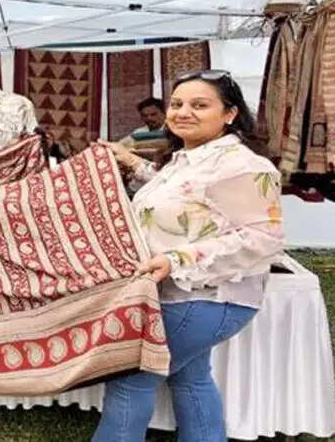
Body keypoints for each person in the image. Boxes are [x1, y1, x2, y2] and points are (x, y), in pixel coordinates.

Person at [92, 70, 284, 442]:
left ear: (230, 113)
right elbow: (184, 195)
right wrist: (130, 161)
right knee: (190, 377)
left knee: (130, 379)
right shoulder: (190, 159)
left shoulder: (242, 165)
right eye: (177, 104)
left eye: (199, 105)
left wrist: (177, 259)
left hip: (204, 296)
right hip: (185, 294)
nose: (182, 112)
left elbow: (264, 238)